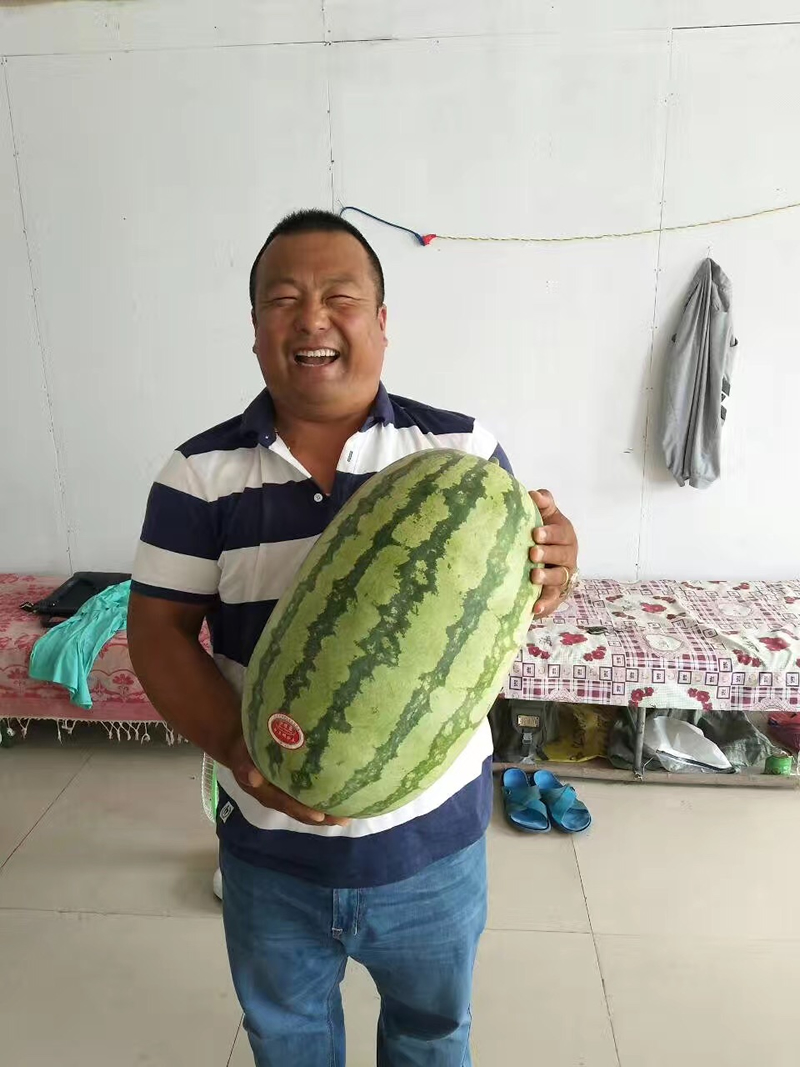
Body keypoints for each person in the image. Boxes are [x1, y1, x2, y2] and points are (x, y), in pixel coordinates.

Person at [127, 209, 578, 1067]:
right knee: (286, 1036)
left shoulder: (462, 446)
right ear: (255, 328)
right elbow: (155, 633)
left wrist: (559, 565)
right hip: (268, 847)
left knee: (431, 1033)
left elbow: (515, 594)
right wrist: (239, 748)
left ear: (381, 320)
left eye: (340, 296)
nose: (312, 318)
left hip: (431, 844)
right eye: (283, 300)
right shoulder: (197, 474)